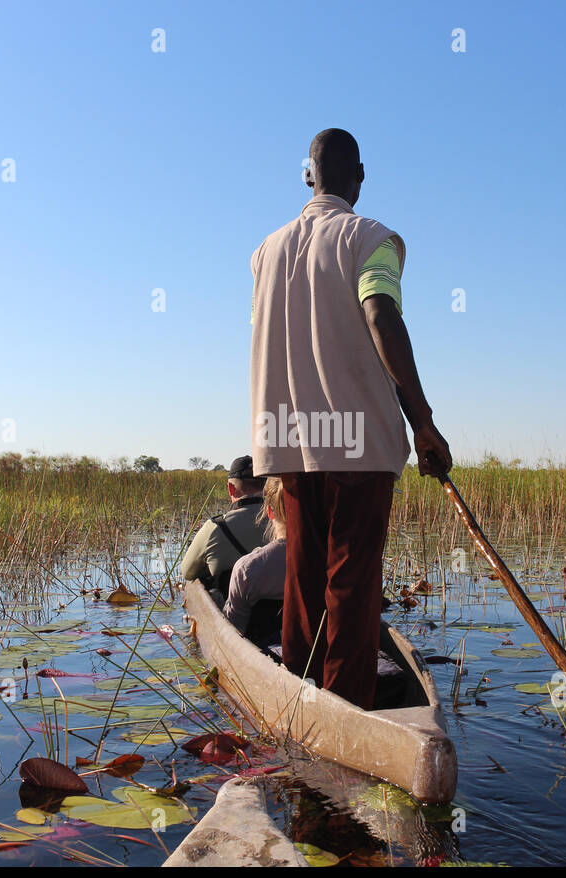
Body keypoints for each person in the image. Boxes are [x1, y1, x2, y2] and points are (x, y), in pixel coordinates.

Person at [249, 128, 452, 709]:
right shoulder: (372, 240)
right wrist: (423, 421)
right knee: (352, 586)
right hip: (355, 440)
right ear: (359, 177)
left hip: (288, 438)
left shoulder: (265, 252)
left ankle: (294, 702)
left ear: (307, 177)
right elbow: (380, 316)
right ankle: (348, 714)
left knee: (304, 581)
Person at [181, 455, 267, 594]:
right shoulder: (285, 523)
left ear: (231, 489)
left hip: (229, 610)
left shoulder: (215, 527)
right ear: (266, 487)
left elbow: (187, 573)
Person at [223, 477, 286, 639]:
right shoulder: (333, 562)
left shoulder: (247, 568)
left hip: (267, 651)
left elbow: (234, 631)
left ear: (269, 511)